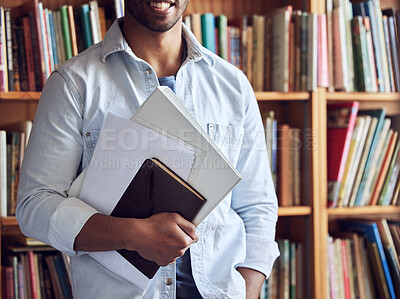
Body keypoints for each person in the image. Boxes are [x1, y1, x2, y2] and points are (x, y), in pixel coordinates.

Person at [16, 0, 280, 298]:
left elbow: (257, 207)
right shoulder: (73, 84)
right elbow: (34, 206)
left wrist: (248, 290)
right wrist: (133, 235)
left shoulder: (233, 85)